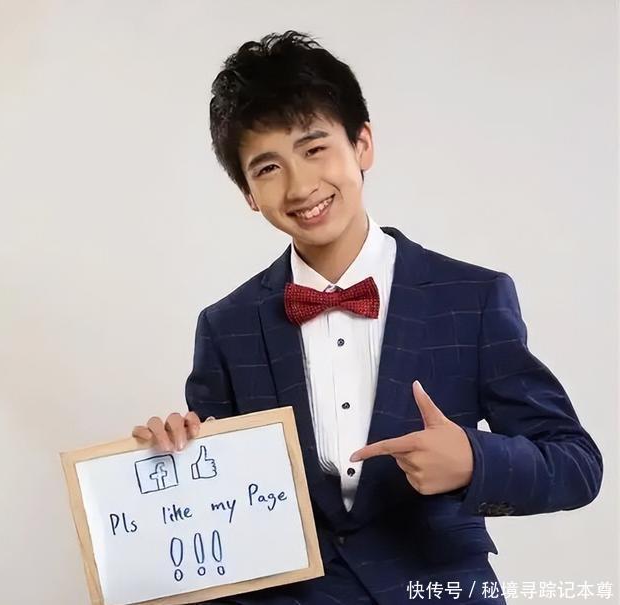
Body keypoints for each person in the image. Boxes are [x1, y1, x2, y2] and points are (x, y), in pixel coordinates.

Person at [132, 30, 603, 605]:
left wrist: (473, 461)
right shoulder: (225, 327)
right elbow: (220, 511)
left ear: (362, 144)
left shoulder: (472, 297)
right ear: (248, 194)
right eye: (268, 168)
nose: (301, 186)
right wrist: (174, 460)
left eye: (314, 149)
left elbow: (576, 464)